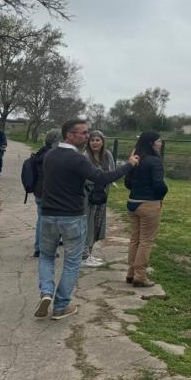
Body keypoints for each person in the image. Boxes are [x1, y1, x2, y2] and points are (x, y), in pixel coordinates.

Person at [35, 119, 138, 320]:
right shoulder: (78, 159)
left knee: (47, 256)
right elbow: (102, 178)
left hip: (48, 215)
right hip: (72, 216)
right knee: (72, 262)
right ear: (69, 135)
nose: (87, 136)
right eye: (82, 133)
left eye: (87, 132)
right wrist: (129, 165)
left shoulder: (50, 156)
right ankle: (60, 306)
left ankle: (46, 292)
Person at [124, 131, 168, 287]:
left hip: (132, 202)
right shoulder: (155, 161)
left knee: (134, 239)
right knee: (146, 241)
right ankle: (140, 276)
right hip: (149, 204)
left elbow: (127, 183)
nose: (161, 143)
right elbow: (159, 184)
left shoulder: (135, 158)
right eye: (159, 141)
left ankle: (131, 272)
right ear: (152, 143)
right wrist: (163, 192)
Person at [81, 131, 116, 267]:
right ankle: (83, 256)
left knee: (97, 224)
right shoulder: (85, 156)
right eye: (92, 140)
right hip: (88, 196)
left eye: (98, 140)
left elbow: (112, 172)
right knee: (87, 224)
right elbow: (84, 176)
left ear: (102, 142)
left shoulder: (107, 155)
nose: (95, 143)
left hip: (102, 195)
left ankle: (89, 253)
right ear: (89, 143)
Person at [32, 129, 62, 257]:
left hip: (39, 191)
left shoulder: (41, 151)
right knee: (50, 222)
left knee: (41, 220)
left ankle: (38, 247)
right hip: (50, 193)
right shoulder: (53, 155)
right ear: (56, 140)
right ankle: (47, 249)